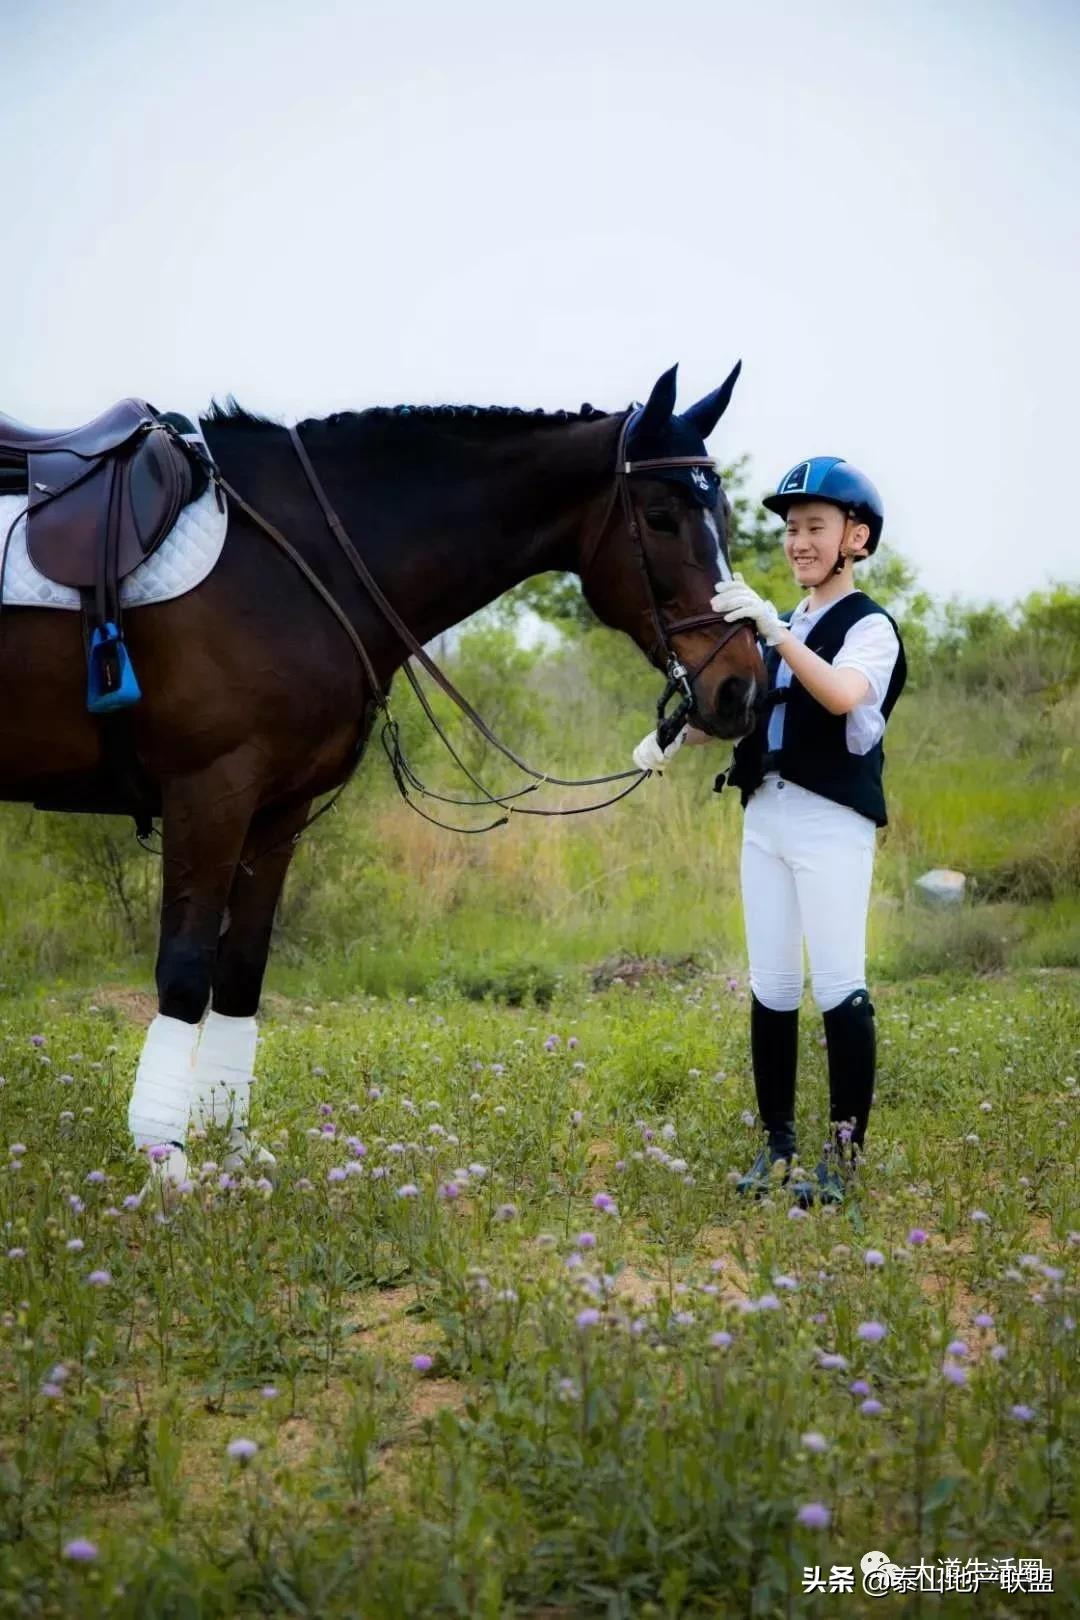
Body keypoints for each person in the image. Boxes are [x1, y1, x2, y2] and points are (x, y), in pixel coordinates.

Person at [632, 457, 907, 1204]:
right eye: (791, 530)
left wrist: (774, 631)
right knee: (774, 986)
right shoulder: (781, 627)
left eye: (815, 528)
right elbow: (742, 711)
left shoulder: (868, 627)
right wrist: (670, 739)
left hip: (829, 823)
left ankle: (842, 1163)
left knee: (840, 986)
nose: (799, 542)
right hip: (765, 819)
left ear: (857, 538)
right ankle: (777, 1146)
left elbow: (844, 694)